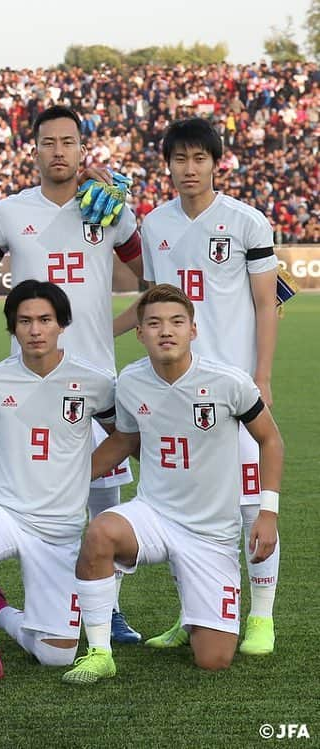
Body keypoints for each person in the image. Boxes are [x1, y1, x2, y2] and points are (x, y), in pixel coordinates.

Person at [0, 105, 146, 643]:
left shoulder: (105, 205)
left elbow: (150, 271)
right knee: (44, 489)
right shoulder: (11, 211)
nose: (58, 151)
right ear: (33, 150)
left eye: (68, 142)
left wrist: (128, 213)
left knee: (104, 489)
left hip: (95, 375)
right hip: (31, 376)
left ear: (83, 149)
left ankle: (110, 609)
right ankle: (41, 603)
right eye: (48, 142)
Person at [62, 284, 283, 684]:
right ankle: (98, 652)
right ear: (140, 333)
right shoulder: (130, 382)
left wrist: (267, 511)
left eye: (177, 322)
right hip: (155, 514)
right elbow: (125, 440)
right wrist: (69, 479)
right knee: (100, 533)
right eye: (155, 323)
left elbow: (270, 439)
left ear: (193, 331)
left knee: (213, 660)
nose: (166, 330)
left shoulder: (228, 382)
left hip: (211, 533)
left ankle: (196, 616)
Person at [138, 117, 281, 655]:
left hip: (236, 387)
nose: (190, 169)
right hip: (177, 388)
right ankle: (193, 613)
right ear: (169, 165)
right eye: (180, 159)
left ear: (216, 162)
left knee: (252, 503)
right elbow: (154, 302)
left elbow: (268, 304)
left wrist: (262, 376)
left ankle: (261, 616)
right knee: (181, 507)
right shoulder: (155, 224)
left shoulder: (247, 221)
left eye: (200, 158)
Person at [0, 280, 116, 686]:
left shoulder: (95, 382)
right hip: (3, 511)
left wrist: (81, 472)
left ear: (62, 325)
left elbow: (124, 435)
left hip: (60, 529)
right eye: (24, 321)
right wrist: (6, 451)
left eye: (44, 320)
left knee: (56, 655)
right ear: (12, 327)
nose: (35, 330)